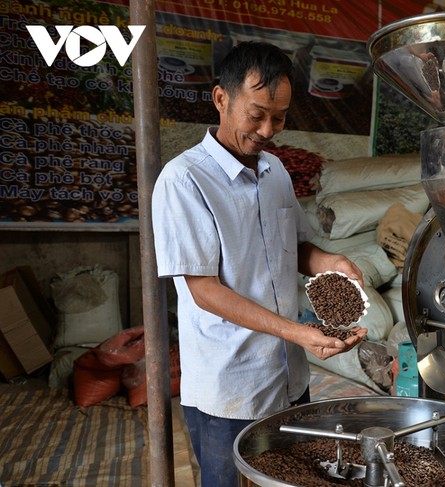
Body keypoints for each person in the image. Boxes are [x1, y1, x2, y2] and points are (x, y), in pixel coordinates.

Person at [151, 41, 368, 487]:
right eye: (257, 115)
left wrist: (330, 261)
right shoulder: (185, 180)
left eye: (280, 117)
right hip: (230, 386)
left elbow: (297, 246)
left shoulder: (275, 172)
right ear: (221, 99)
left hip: (288, 375)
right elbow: (203, 290)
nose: (269, 129)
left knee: (294, 478)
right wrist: (300, 333)